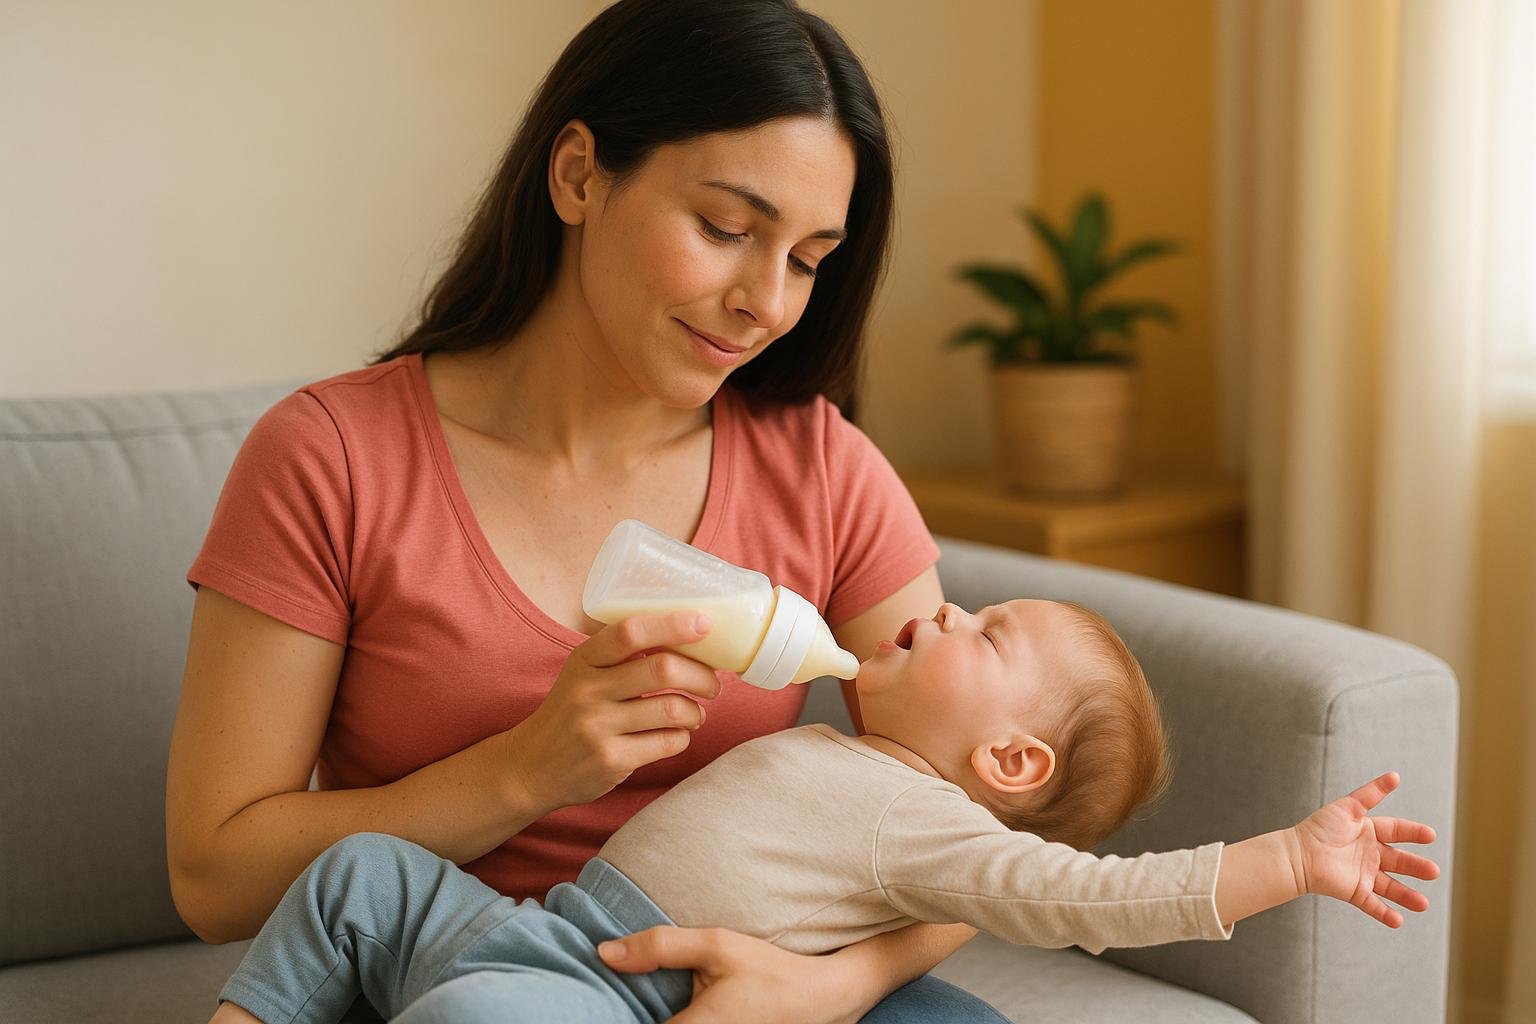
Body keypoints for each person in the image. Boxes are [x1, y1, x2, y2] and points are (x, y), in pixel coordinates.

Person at [165, 1, 1015, 1019]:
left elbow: (982, 823)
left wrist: (829, 982)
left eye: (807, 258)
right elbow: (214, 878)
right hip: (476, 977)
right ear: (578, 174)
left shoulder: (820, 465)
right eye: (727, 228)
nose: (770, 303)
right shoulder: (333, 459)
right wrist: (524, 771)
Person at [205, 598, 1441, 1023]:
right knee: (362, 864)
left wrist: (1287, 856)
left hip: (612, 990)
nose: (947, 609)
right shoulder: (840, 734)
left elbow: (1091, 902)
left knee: (484, 1013)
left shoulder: (936, 826)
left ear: (1008, 763)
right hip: (537, 914)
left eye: (986, 632)